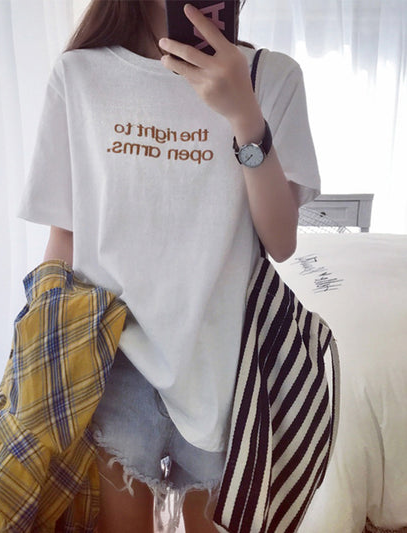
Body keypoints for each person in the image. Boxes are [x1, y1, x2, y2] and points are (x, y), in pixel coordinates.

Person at [17, 1, 320, 531]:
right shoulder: (80, 74)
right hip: (111, 359)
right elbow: (66, 232)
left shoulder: (271, 76)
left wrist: (244, 116)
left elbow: (281, 241)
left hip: (225, 363)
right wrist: (39, 350)